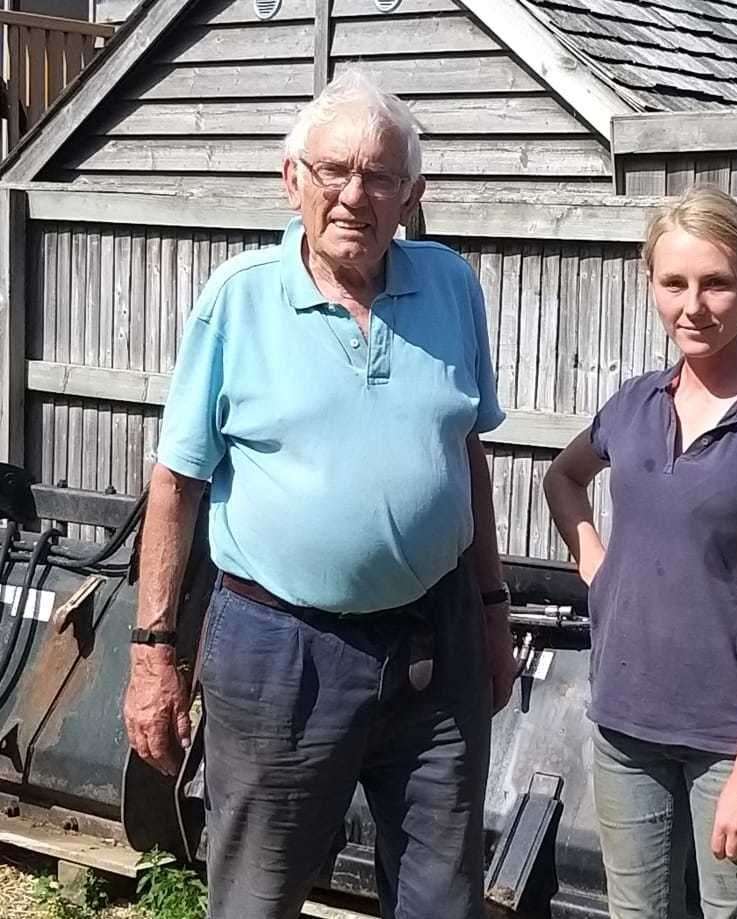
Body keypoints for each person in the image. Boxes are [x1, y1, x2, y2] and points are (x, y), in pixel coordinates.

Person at [122, 69, 518, 919]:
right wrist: (152, 653)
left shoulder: (451, 286)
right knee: (257, 897)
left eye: (379, 176)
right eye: (333, 170)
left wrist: (491, 609)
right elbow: (176, 482)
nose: (354, 196)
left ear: (412, 194)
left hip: (437, 641)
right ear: (291, 178)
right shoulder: (240, 299)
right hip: (280, 651)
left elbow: (467, 455)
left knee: (442, 898)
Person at [543, 187, 737, 919]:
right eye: (673, 282)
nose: (693, 305)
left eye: (715, 282)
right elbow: (563, 478)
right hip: (623, 722)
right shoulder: (632, 405)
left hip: (727, 736)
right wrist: (595, 562)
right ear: (649, 283)